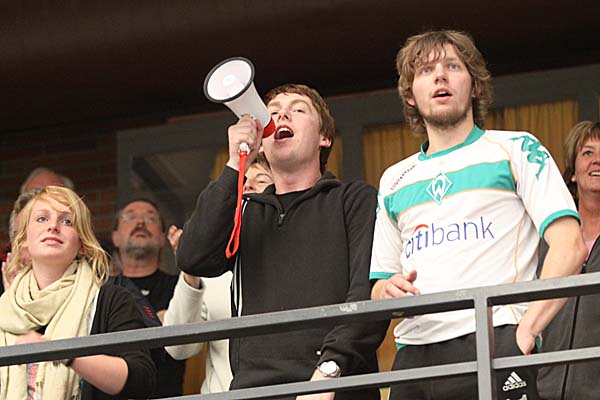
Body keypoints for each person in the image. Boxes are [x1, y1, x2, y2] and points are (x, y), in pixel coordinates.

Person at [369, 30, 587, 400]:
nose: (440, 76)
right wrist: (387, 290)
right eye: (425, 70)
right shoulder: (393, 179)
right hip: (413, 356)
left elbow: (570, 247)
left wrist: (526, 332)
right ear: (410, 95)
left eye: (453, 66)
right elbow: (379, 286)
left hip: (495, 338)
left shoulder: (515, 148)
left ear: (475, 86)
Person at [176, 84, 387, 400]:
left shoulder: (352, 200)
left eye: (298, 109)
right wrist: (235, 163)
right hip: (253, 392)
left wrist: (329, 371)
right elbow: (192, 257)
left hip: (333, 388)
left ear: (324, 138)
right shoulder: (246, 211)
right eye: (272, 113)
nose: (282, 115)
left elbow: (366, 292)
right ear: (262, 144)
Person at [0, 186, 156, 399]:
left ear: (82, 244)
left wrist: (66, 354)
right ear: (24, 240)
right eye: (42, 219)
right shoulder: (6, 310)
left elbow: (142, 380)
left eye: (67, 221)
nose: (53, 226)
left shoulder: (111, 299)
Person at [164, 155, 273, 394]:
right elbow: (178, 348)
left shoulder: (290, 253)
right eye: (242, 180)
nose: (248, 185)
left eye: (261, 180)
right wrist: (191, 269)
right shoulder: (212, 264)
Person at [536, 121, 600, 399]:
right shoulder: (549, 236)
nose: (597, 160)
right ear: (572, 171)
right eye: (588, 153)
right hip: (545, 387)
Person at [111, 198, 185, 397]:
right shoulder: (102, 290)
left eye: (150, 218)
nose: (140, 222)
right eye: (130, 217)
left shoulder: (180, 287)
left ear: (162, 238)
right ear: (115, 237)